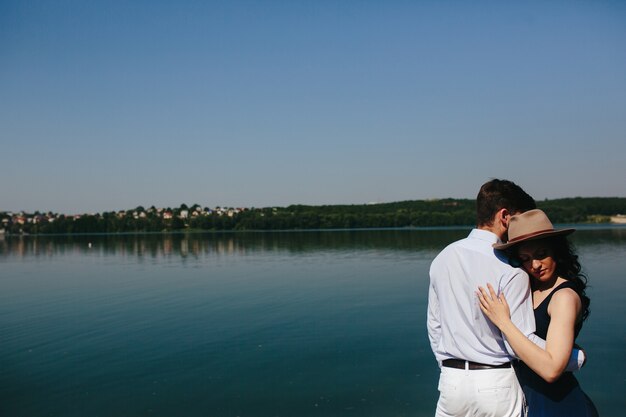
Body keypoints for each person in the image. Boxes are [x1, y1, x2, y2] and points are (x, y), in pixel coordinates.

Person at [427, 179, 584, 417]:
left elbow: (435, 326)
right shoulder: (511, 269)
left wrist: (448, 367)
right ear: (505, 217)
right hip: (497, 383)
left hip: (452, 383)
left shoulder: (442, 258)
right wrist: (574, 357)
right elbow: (520, 339)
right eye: (520, 218)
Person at [477, 209, 599, 416]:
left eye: (541, 255)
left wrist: (503, 322)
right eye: (525, 258)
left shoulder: (564, 297)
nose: (535, 265)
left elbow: (551, 370)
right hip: (531, 401)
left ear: (557, 251)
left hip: (560, 406)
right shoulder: (529, 288)